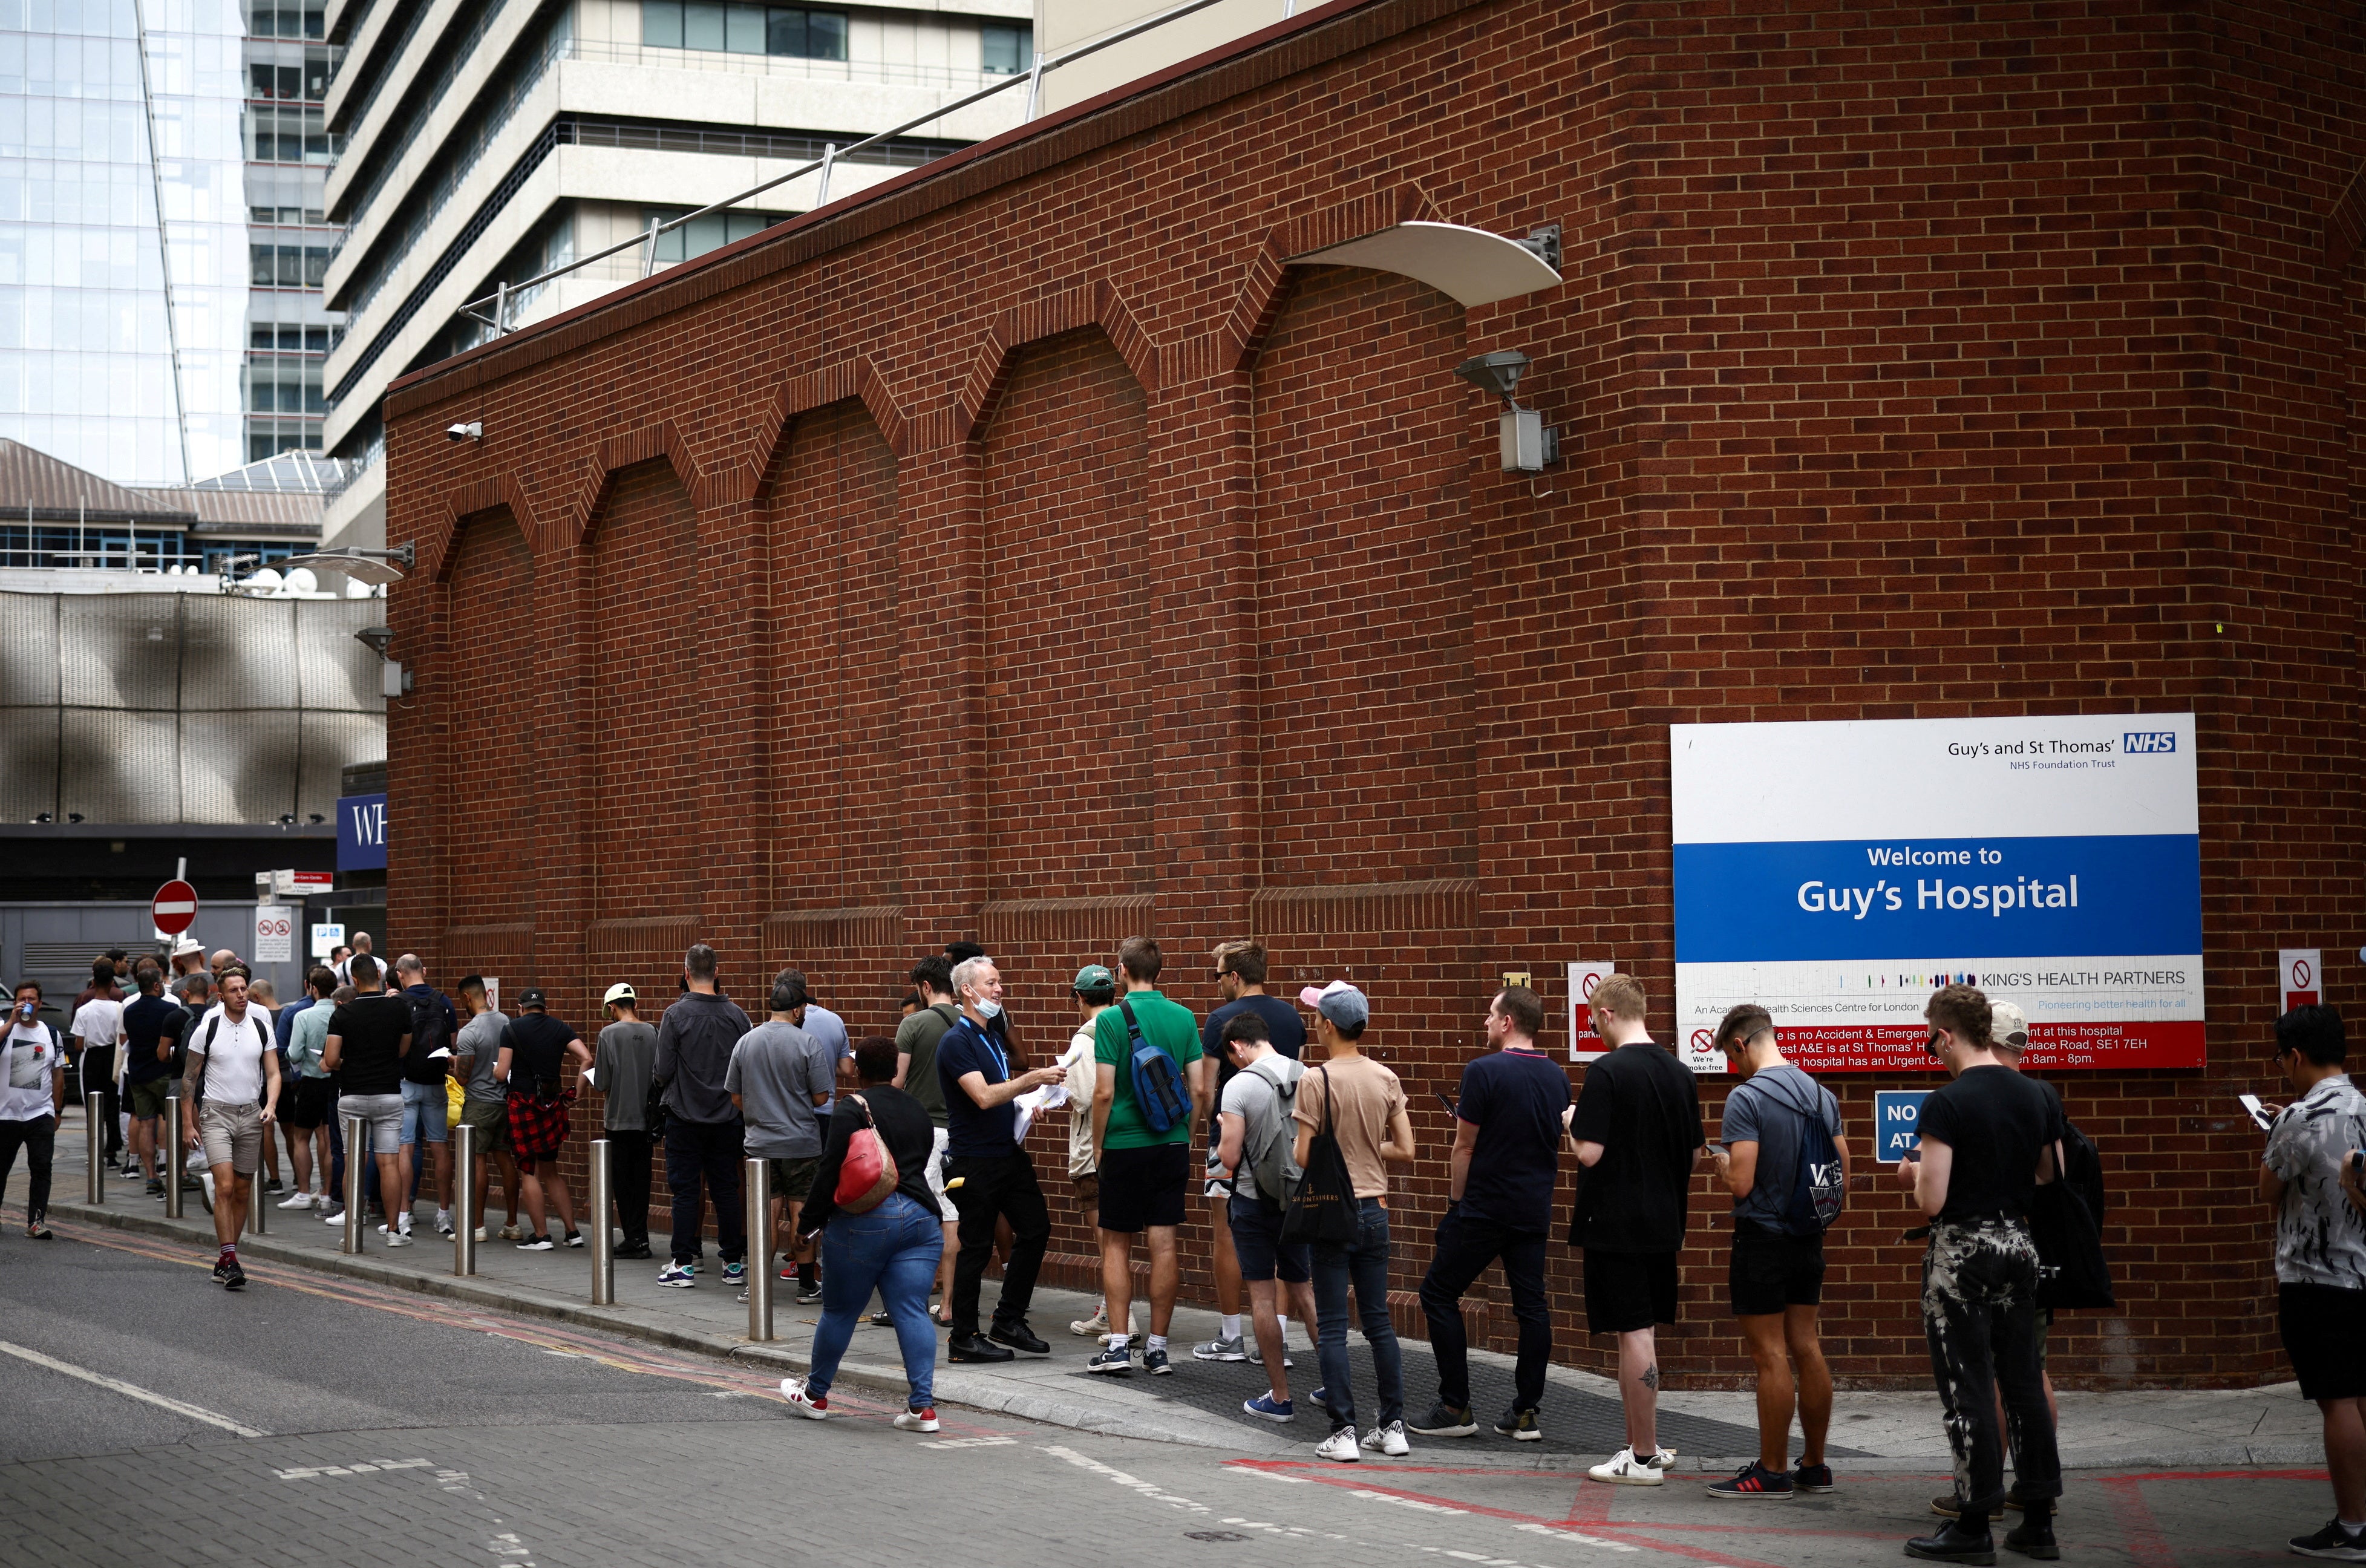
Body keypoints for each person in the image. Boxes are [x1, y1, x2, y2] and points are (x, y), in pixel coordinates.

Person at [1899, 985, 2064, 1564]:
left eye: (1931, 1041)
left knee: (1967, 1385)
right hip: (2019, 1246)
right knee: (2023, 1381)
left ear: (1947, 1036)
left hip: (1963, 1254)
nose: (1933, 1053)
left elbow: (1931, 1201)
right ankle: (2038, 1519)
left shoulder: (1946, 1103)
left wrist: (1912, 1173)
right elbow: (2049, 1173)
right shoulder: (2037, 1094)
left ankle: (1974, 1523)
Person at [1413, 985, 1569, 1444]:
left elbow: (1464, 1146)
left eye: (1490, 1015)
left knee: (1437, 1293)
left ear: (1508, 1022)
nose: (1484, 1022)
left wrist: (1455, 1206)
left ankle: (1454, 1406)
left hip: (1482, 1209)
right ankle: (1525, 1412)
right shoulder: (1557, 1077)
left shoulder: (1482, 1071)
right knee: (1532, 1308)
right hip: (1532, 1209)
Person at [1702, 1004, 1845, 1499]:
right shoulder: (1821, 1095)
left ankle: (1772, 1470)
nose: (1732, 1068)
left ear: (1740, 1044)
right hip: (1809, 1237)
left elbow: (1741, 1183)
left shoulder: (1747, 1098)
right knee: (1806, 1345)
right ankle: (1816, 1466)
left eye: (1729, 1057)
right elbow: (1840, 1169)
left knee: (1769, 1355)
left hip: (1762, 1238)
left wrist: (1719, 1164)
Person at [1566, 973, 1703, 1486]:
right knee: (1642, 1331)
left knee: (1634, 1333)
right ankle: (1640, 1445)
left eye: (1593, 1019)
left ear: (1605, 1014)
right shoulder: (1679, 1072)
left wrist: (1571, 1122)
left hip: (1615, 1224)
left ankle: (1642, 1456)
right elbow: (1692, 1154)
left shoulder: (1606, 1072)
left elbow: (1590, 1152)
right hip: (1664, 1222)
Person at [781, 1037, 947, 1431]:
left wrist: (807, 1225)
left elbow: (829, 1171)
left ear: (857, 1070)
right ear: (894, 1071)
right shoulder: (917, 1109)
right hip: (923, 1219)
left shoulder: (853, 1109)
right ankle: (922, 1408)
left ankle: (816, 1394)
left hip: (867, 1220)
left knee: (840, 1310)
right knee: (910, 1309)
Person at [1286, 979, 1414, 1460]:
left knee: (1335, 1325)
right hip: (1375, 1210)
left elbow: (1302, 1156)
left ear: (1328, 1025)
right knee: (1379, 1321)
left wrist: (1337, 1153)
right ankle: (1393, 1425)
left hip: (1332, 1214)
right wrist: (1365, 1151)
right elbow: (1405, 1148)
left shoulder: (1314, 1080)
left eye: (1317, 1017)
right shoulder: (1384, 1078)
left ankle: (1342, 1431)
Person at [2260, 1004, 2366, 1560]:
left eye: (2282, 1059)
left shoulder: (2297, 1117)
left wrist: (2279, 1126)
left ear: (2295, 1056)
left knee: (2338, 1402)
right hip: (2363, 1272)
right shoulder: (2364, 1106)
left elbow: (2269, 1190)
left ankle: (2351, 1529)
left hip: (2316, 1278)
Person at [1087, 936, 1209, 1376]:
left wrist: (1099, 1144)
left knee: (1117, 1245)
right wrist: (1187, 1135)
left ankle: (1118, 1345)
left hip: (1123, 1144)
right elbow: (1198, 1089)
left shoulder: (1112, 1020)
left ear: (1121, 970)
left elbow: (1103, 1091)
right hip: (1171, 1142)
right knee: (1164, 1244)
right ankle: (1157, 1349)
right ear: (1158, 970)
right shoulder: (1184, 1017)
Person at [938, 954, 1062, 1362]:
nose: (999, 989)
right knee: (975, 1246)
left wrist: (1028, 1102)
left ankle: (1008, 1319)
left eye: (999, 982)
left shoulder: (991, 1035)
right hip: (973, 1160)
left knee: (1036, 1228)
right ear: (968, 992)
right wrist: (1031, 1079)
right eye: (991, 983)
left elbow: (1001, 1094)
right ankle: (963, 1338)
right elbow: (983, 1096)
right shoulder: (956, 1041)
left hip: (1005, 1154)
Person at [1195, 939, 1306, 1364]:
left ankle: (1230, 1335)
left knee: (1226, 1234)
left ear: (1235, 977)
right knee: (1283, 1236)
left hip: (1233, 1136)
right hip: (1286, 1142)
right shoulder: (1292, 1017)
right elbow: (1294, 1076)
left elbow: (1206, 1087)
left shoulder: (1220, 1019)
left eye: (1219, 975)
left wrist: (1209, 1126)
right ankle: (1272, 1340)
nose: (1218, 984)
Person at [1213, 1010, 1316, 1421]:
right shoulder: (1306, 1073)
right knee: (1304, 1289)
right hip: (1300, 1199)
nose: (1234, 1062)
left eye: (1232, 1055)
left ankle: (1279, 1397)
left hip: (1253, 1200)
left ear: (1237, 1045)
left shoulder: (1238, 1086)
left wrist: (1224, 1127)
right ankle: (1332, 1385)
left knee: (1261, 1294)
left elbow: (1229, 1157)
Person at [727, 972, 835, 1304]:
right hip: (801, 1142)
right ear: (799, 1010)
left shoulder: (747, 1041)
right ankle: (806, 1285)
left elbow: (735, 1098)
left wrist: (761, 1113)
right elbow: (820, 1098)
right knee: (801, 1211)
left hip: (760, 1145)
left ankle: (758, 1283)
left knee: (765, 1214)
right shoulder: (807, 1043)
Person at [653, 944, 753, 1287]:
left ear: (686, 974)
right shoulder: (739, 1016)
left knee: (685, 1191)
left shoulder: (674, 1016)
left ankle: (683, 1265)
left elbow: (663, 1070)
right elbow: (746, 1070)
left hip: (684, 1116)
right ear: (716, 974)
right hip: (727, 1117)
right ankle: (733, 1265)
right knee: (726, 1188)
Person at [181, 971, 280, 1288]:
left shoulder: (262, 1028)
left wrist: (271, 1105)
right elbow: (189, 1079)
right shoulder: (207, 1028)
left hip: (252, 1115)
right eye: (234, 990)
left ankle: (226, 1258)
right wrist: (187, 1123)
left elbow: (274, 1074)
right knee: (224, 1187)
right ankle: (231, 1259)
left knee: (242, 1190)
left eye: (244, 989)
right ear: (221, 996)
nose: (241, 994)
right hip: (215, 1115)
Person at [322, 955, 412, 1240]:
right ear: (380, 975)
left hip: (352, 1096)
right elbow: (402, 1050)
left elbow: (331, 1059)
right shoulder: (399, 1008)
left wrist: (349, 1062)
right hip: (388, 1093)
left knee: (353, 1162)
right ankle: (395, 1230)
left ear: (355, 980)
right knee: (389, 1163)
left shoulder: (343, 1014)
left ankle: (352, 1227)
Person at [894, 955, 962, 1321]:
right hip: (963, 1134)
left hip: (925, 1134)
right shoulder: (973, 1020)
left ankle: (912, 1302)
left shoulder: (913, 1024)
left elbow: (897, 1083)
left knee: (918, 1215)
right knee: (951, 1215)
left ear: (924, 987)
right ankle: (949, 1305)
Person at [1063, 965, 1128, 1341]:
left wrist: (1059, 1088)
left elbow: (1085, 1096)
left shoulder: (1084, 1040)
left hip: (1094, 1151)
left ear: (1080, 998)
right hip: (1128, 1142)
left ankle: (1123, 1320)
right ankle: (1109, 1313)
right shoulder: (1127, 1028)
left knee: (1107, 1244)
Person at [500, 988, 592, 1250]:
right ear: (545, 1009)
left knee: (528, 1170)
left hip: (522, 1105)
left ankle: (541, 1236)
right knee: (551, 1170)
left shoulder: (512, 1029)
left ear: (521, 1008)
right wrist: (576, 1093)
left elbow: (501, 1073)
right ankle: (573, 1233)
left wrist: (495, 1069)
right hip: (551, 1105)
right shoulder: (560, 1028)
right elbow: (586, 1058)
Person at [453, 976, 523, 1242]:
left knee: (475, 1161)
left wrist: (454, 1060)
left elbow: (463, 1077)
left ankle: (477, 1226)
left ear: (468, 998)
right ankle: (513, 1224)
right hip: (504, 1102)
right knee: (505, 1160)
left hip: (479, 1105)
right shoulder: (506, 1021)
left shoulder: (469, 1032)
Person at [393, 955, 459, 1236]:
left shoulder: (398, 1003)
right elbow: (453, 1045)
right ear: (425, 972)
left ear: (400, 975)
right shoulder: (443, 1001)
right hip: (436, 1082)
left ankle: (404, 1215)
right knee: (440, 1146)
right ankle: (444, 1215)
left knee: (405, 1147)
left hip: (406, 1081)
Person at [593, 982, 657, 1259]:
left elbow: (602, 1082)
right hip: (647, 1120)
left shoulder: (608, 1034)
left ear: (612, 1007)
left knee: (622, 1181)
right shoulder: (653, 1032)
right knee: (643, 1180)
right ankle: (641, 1237)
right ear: (636, 1004)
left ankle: (631, 1238)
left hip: (618, 1119)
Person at [1, 979, 65, 1239]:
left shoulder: (51, 1034)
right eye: (22, 999)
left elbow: (58, 1074)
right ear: (15, 1002)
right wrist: (11, 1023)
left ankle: (36, 1222)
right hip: (5, 1114)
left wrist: (57, 1111)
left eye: (32, 999)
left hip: (40, 1113)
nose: (27, 1003)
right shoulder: (6, 1028)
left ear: (40, 1002)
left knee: (41, 1168)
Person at [121, 959, 185, 1197]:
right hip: (164, 1071)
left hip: (138, 1073)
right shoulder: (169, 1010)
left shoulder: (129, 1011)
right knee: (169, 1120)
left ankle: (151, 1176)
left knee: (146, 1123)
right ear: (157, 987)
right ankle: (171, 1168)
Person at [279, 967, 338, 1210]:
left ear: (312, 988)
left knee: (301, 1138)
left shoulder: (304, 1016)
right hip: (336, 1082)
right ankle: (326, 1194)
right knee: (328, 1137)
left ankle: (303, 1193)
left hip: (311, 1082)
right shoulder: (340, 1012)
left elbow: (292, 1054)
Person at [70, 965, 126, 1169]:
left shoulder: (84, 1010)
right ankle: (112, 1154)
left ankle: (94, 1152)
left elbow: (78, 1043)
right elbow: (122, 1038)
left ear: (93, 982)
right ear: (112, 983)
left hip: (92, 1057)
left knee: (94, 1105)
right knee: (112, 1105)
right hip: (112, 1056)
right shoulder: (119, 1008)